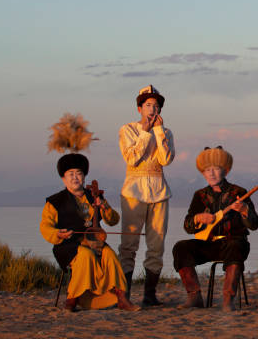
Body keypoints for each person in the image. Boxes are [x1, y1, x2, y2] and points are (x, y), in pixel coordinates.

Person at [40, 153, 140, 312]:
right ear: (63, 179)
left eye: (78, 173)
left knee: (111, 256)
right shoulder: (55, 202)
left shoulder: (95, 196)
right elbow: (46, 227)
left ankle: (122, 298)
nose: (75, 178)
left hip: (95, 242)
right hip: (68, 245)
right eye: (70, 174)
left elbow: (113, 220)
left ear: (84, 176)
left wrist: (104, 207)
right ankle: (72, 300)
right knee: (85, 256)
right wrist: (58, 234)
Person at [172, 146, 258, 311]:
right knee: (181, 247)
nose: (211, 173)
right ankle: (194, 296)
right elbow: (188, 226)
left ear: (225, 171)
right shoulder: (199, 195)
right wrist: (198, 218)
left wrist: (244, 211)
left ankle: (228, 299)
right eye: (207, 170)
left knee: (235, 245)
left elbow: (254, 224)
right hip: (209, 245)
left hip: (234, 244)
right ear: (203, 173)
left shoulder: (239, 192)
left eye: (216, 169)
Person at [118, 84, 175, 306]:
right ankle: (124, 295)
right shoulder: (128, 129)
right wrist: (145, 132)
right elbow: (132, 159)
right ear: (140, 108)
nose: (153, 109)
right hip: (134, 191)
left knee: (157, 245)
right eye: (149, 105)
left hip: (159, 192)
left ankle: (150, 295)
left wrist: (158, 132)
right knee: (128, 244)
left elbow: (166, 160)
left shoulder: (166, 132)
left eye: (156, 106)